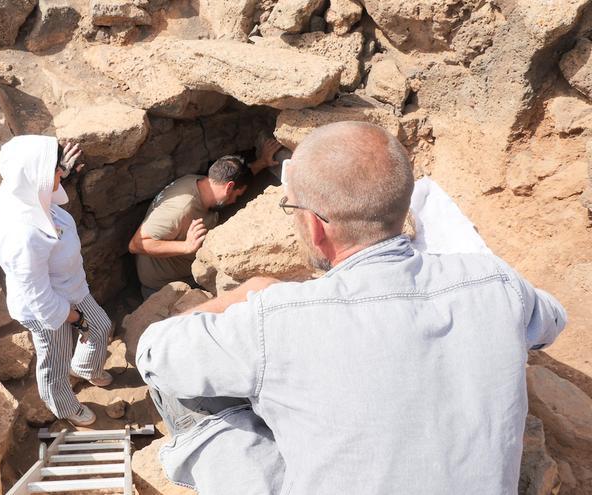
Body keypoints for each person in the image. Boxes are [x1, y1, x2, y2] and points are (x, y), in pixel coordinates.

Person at [135, 122, 567, 494]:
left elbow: (154, 353)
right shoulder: (496, 282)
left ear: (315, 227)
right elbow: (550, 322)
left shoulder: (277, 316)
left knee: (191, 392)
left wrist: (236, 299)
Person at [0, 135, 113, 427]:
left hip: (69, 286)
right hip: (46, 309)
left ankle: (84, 366)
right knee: (55, 364)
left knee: (102, 327)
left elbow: (47, 194)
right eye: (54, 169)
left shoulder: (24, 189)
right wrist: (75, 318)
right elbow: (38, 295)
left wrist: (62, 173)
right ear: (36, 175)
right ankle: (63, 404)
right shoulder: (22, 235)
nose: (60, 172)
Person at [129, 139, 283, 297]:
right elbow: (136, 244)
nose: (234, 201)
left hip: (186, 273)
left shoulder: (201, 182)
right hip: (165, 287)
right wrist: (186, 246)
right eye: (236, 196)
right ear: (229, 187)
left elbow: (237, 177)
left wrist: (262, 162)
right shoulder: (181, 209)